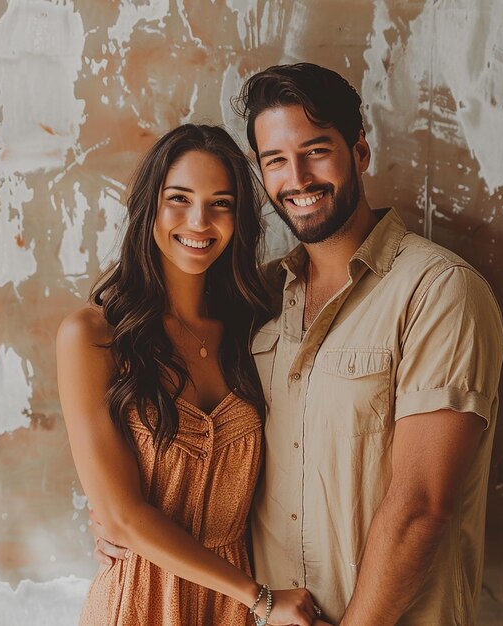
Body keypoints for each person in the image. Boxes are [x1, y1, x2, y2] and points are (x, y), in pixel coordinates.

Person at [94, 64, 503, 625]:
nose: (298, 179)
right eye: (275, 161)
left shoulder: (438, 292)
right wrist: (119, 516)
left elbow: (421, 510)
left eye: (316, 151)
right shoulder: (255, 300)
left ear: (359, 152)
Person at [56, 124, 321, 625]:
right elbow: (122, 517)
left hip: (233, 606)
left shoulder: (254, 327)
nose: (199, 221)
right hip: (143, 599)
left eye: (221, 203)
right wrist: (262, 599)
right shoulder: (94, 337)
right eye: (179, 198)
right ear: (147, 206)